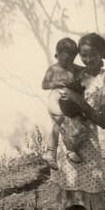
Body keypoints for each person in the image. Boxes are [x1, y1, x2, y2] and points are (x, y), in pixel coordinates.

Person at [51, 32, 105, 210]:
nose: (87, 60)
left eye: (92, 55)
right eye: (83, 55)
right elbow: (64, 104)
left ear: (102, 54)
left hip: (88, 144)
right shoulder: (77, 75)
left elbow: (104, 121)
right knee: (69, 188)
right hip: (68, 140)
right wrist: (63, 103)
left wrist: (78, 100)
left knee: (89, 190)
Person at [42, 38, 87, 170]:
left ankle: (66, 150)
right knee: (61, 120)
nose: (68, 63)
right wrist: (55, 83)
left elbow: (84, 69)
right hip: (55, 98)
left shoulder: (74, 68)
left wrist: (96, 70)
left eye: (71, 59)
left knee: (76, 123)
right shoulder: (53, 69)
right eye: (64, 60)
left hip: (68, 101)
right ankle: (54, 152)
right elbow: (44, 85)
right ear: (57, 55)